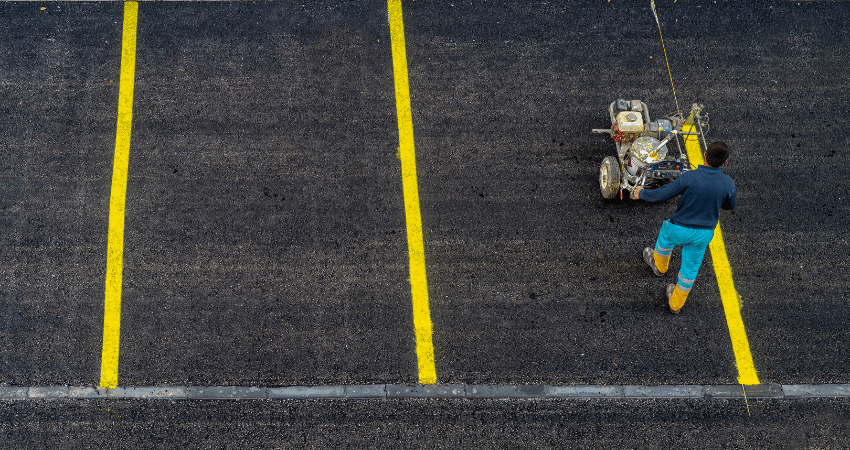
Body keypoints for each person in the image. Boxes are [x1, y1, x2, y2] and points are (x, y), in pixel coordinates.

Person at [631, 141, 736, 314]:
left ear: (704, 155)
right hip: (703, 234)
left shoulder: (690, 177)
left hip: (678, 228)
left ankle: (659, 266)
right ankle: (676, 303)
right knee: (690, 268)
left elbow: (663, 194)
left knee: (664, 241)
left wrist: (641, 193)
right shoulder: (728, 183)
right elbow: (730, 206)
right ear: (725, 162)